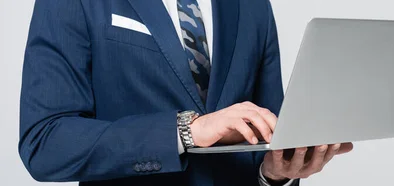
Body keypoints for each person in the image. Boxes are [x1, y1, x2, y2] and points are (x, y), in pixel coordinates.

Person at [18, 0, 353, 185]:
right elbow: (45, 144)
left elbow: (266, 140)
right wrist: (185, 132)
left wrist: (276, 174)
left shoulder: (253, 7)